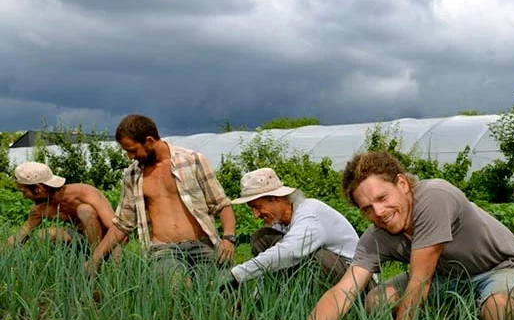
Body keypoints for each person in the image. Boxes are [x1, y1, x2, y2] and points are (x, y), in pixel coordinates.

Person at [296, 150, 514, 320]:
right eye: (367, 208)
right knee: (378, 300)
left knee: (498, 311)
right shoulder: (376, 236)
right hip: (446, 278)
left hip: (497, 268)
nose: (378, 212)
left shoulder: (434, 197)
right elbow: (341, 293)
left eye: (382, 197)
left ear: (402, 184)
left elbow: (420, 283)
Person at [87, 114, 237, 277]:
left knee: (225, 289)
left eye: (132, 150)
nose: (130, 156)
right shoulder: (133, 175)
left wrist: (228, 238)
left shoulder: (193, 161)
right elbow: (123, 223)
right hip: (163, 251)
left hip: (202, 244)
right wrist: (95, 259)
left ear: (149, 141)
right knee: (176, 287)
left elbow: (222, 204)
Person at [220, 167, 359, 288]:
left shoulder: (309, 214)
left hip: (356, 278)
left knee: (314, 256)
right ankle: (285, 297)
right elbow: (275, 259)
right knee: (262, 237)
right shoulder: (282, 222)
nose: (255, 215)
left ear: (276, 199)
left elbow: (289, 252)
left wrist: (236, 275)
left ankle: (322, 308)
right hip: (332, 272)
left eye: (257, 207)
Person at [7, 161, 117, 250]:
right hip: (82, 240)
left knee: (85, 210)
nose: (24, 197)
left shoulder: (85, 193)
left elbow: (116, 229)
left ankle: (96, 260)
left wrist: (114, 266)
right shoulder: (40, 209)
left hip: (106, 242)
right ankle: (79, 261)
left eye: (24, 192)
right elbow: (20, 236)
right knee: (45, 234)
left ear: (38, 188)